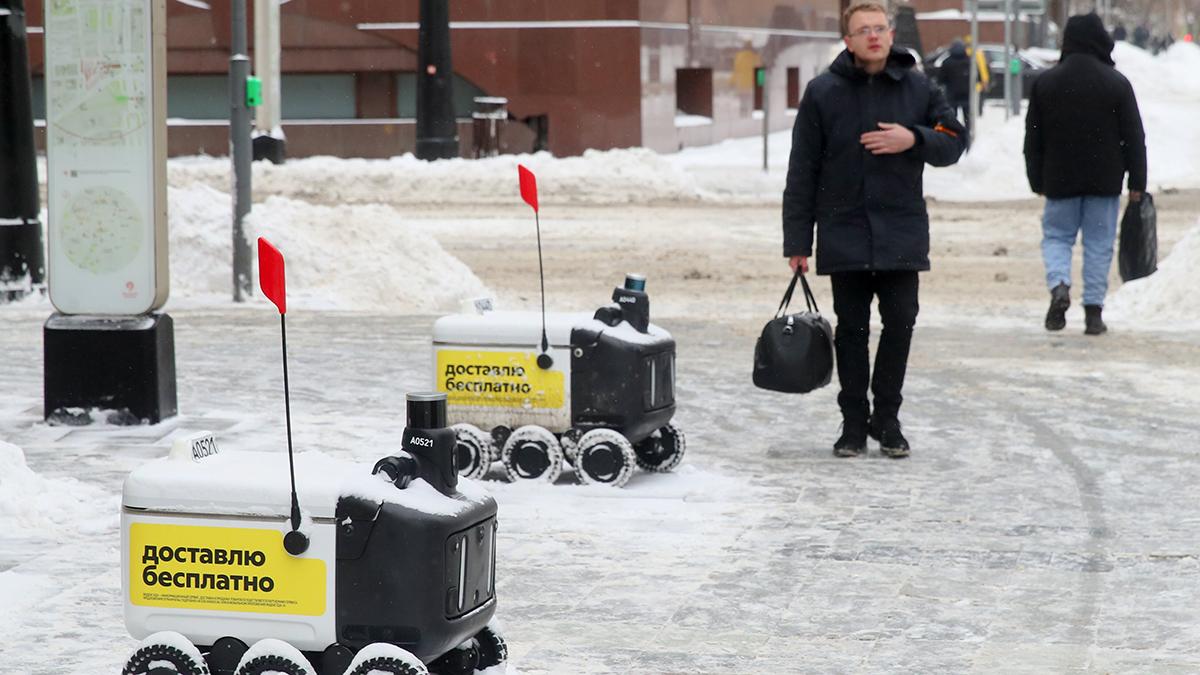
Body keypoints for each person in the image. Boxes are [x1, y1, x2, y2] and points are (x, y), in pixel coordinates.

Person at [782, 2, 966, 459]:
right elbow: (802, 170)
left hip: (901, 229)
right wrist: (798, 242)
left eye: (880, 28)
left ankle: (887, 418)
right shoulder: (823, 92)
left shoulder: (918, 87)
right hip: (843, 228)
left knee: (900, 323)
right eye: (863, 30)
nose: (873, 36)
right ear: (848, 40)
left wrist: (914, 138)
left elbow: (954, 141)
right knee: (851, 330)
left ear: (890, 34)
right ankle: (852, 423)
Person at [1024, 13, 1146, 335]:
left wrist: (1036, 179)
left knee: (1057, 237)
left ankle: (1059, 285)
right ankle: (1093, 313)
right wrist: (1137, 182)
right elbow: (1134, 137)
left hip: (1059, 179)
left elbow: (1033, 138)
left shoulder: (1046, 83)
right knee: (1099, 244)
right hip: (1104, 181)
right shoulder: (1116, 83)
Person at [937, 39, 972, 143]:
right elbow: (976, 76)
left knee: (952, 118)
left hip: (952, 94)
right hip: (966, 94)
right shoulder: (969, 61)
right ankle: (967, 138)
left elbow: (941, 79)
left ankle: (953, 137)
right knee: (967, 119)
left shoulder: (947, 62)